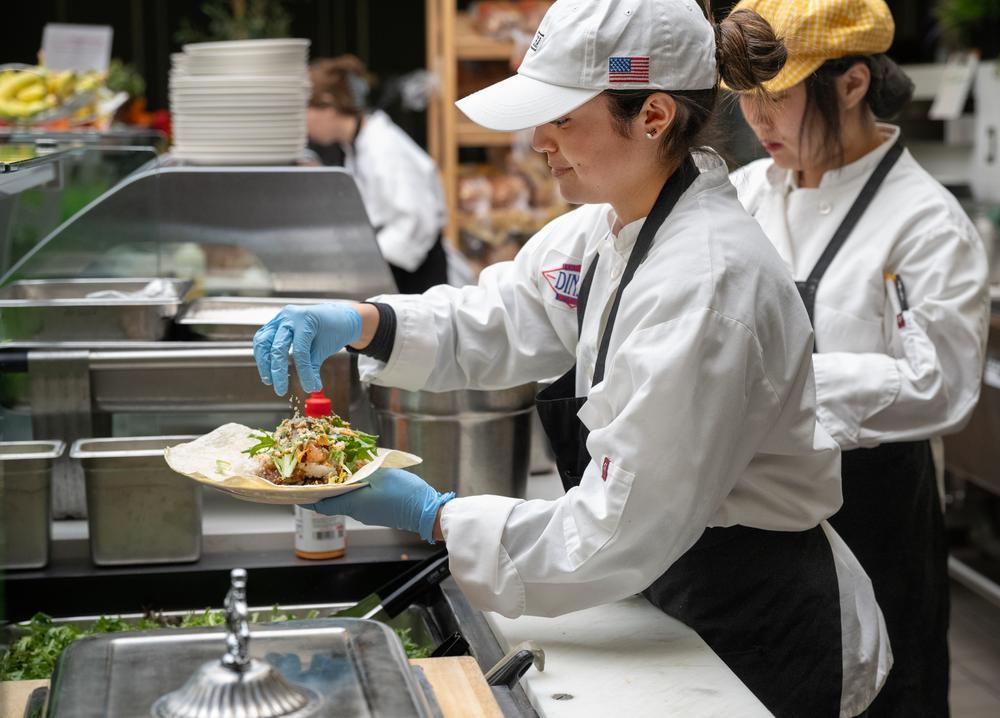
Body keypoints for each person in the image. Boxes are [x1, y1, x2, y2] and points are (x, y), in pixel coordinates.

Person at [255, 2, 892, 715]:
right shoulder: (609, 225)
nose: (537, 141)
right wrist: (364, 321)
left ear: (653, 116)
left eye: (561, 119)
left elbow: (617, 525)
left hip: (753, 622)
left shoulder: (707, 284)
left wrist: (435, 514)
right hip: (668, 584)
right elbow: (502, 316)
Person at [727, 0, 991, 715]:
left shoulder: (924, 222)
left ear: (852, 83)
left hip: (874, 516)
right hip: (758, 521)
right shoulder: (745, 197)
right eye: (748, 97)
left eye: (778, 97)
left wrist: (769, 388)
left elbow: (939, 384)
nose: (758, 122)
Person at [306, 55, 450, 293]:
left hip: (414, 277)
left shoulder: (383, 147)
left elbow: (415, 221)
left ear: (328, 106)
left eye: (306, 111)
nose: (305, 123)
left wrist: (364, 263)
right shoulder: (355, 146)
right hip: (391, 265)